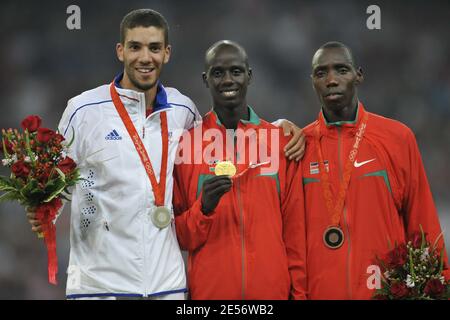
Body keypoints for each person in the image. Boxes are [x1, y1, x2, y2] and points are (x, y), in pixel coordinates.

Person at [25, 10, 305, 299]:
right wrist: (42, 208)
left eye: (154, 48)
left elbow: (230, 132)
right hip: (99, 285)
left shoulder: (182, 111)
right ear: (120, 51)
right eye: (135, 47)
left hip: (166, 286)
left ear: (167, 53)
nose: (145, 57)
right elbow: (55, 179)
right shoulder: (83, 110)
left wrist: (277, 127)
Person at [302, 41, 449, 299]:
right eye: (321, 73)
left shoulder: (397, 138)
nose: (332, 80)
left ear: (359, 75)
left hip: (382, 294)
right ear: (312, 80)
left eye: (341, 70)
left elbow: (423, 224)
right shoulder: (298, 147)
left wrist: (440, 287)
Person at [173, 40, 307, 300]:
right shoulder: (186, 145)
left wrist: (299, 295)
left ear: (249, 76)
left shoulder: (279, 141)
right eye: (218, 73)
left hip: (271, 294)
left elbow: (295, 231)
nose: (227, 80)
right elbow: (178, 237)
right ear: (205, 79)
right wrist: (204, 209)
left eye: (236, 71)